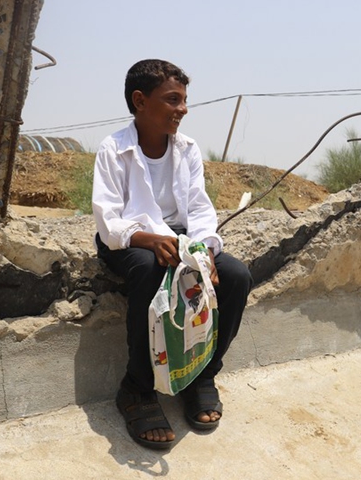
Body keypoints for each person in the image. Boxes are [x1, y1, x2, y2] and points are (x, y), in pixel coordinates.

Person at [92, 59, 253, 450]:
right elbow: (109, 220)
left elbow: (198, 209)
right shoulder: (114, 149)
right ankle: (137, 389)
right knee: (150, 271)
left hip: (180, 240)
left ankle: (201, 376)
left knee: (235, 276)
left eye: (183, 100)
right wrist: (148, 240)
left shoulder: (187, 149)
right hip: (131, 240)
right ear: (140, 101)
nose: (183, 108)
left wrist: (205, 251)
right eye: (172, 100)